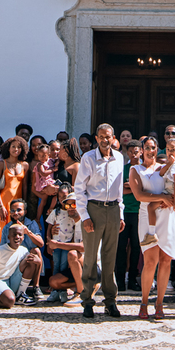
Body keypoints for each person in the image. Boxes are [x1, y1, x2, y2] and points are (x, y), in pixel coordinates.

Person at [75, 123, 125, 319]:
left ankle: (110, 300)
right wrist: (85, 216)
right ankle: (87, 300)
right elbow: (79, 189)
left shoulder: (119, 158)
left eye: (109, 137)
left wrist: (120, 214)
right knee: (90, 257)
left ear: (114, 138)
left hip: (112, 209)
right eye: (102, 137)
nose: (106, 140)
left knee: (109, 257)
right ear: (96, 138)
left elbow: (119, 187)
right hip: (93, 209)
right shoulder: (88, 158)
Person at [130, 137, 175, 319]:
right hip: (148, 216)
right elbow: (139, 195)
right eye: (147, 148)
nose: (150, 151)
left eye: (153, 148)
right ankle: (144, 302)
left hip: (167, 215)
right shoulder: (136, 170)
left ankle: (160, 303)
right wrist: (161, 198)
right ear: (142, 150)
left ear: (157, 149)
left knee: (166, 259)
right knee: (150, 260)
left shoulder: (165, 169)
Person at [0, 198, 44, 303]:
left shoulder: (32, 224)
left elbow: (41, 243)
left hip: (30, 259)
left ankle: (36, 287)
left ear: (25, 212)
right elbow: (2, 248)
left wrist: (28, 232)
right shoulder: (7, 228)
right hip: (14, 261)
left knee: (36, 250)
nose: (16, 213)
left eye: (19, 210)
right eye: (13, 210)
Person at [45, 185, 85, 304]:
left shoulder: (86, 221)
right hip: (76, 263)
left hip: (90, 264)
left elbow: (83, 247)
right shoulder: (70, 219)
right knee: (53, 281)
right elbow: (53, 226)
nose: (70, 208)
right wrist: (51, 236)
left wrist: (57, 245)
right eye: (68, 205)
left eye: (74, 204)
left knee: (71, 254)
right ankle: (88, 284)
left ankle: (81, 292)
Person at [0, 222, 30, 309]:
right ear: (8, 237)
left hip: (11, 279)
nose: (17, 237)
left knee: (32, 260)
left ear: (23, 237)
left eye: (20, 235)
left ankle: (20, 294)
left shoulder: (24, 250)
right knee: (9, 301)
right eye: (14, 235)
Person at [115, 138, 143, 293]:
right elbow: (119, 190)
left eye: (136, 151)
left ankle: (133, 279)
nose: (134, 154)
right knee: (120, 247)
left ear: (141, 152)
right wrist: (135, 188)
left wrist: (131, 187)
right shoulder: (123, 169)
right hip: (124, 212)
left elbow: (146, 190)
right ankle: (120, 280)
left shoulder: (144, 169)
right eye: (131, 151)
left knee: (136, 247)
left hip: (140, 212)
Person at [0, 135, 29, 234]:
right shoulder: (1, 164)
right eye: (13, 146)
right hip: (3, 203)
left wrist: (25, 206)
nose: (16, 149)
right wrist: (0, 205)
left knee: (16, 232)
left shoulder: (25, 165)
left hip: (18, 205)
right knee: (1, 231)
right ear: (8, 148)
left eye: (19, 147)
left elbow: (25, 186)